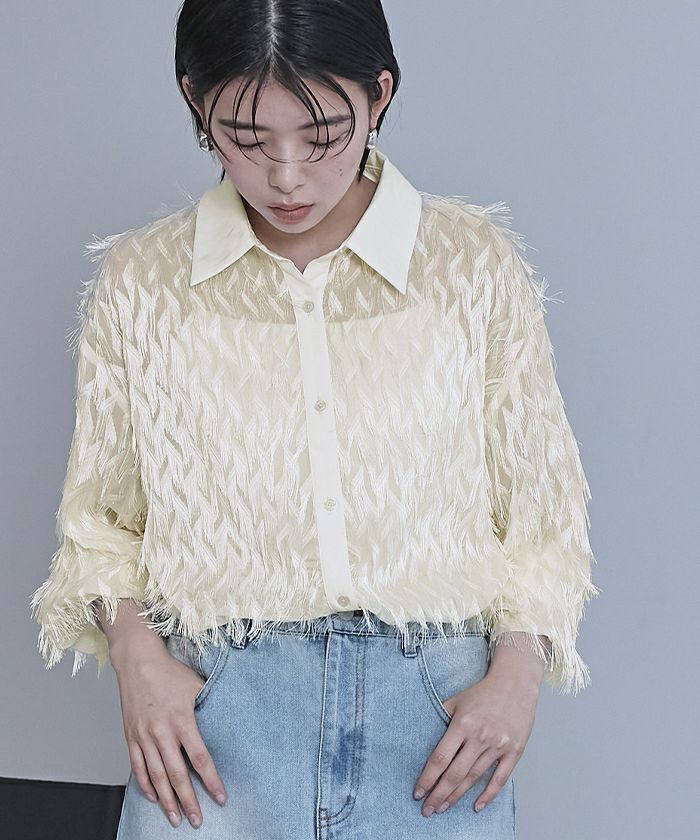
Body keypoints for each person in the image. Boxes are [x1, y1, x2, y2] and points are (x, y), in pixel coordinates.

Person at [30, 1, 600, 837]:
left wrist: (517, 677)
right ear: (194, 102)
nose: (287, 176)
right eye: (247, 138)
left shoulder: (470, 266)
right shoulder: (144, 282)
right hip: (216, 721)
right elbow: (101, 523)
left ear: (380, 95)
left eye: (324, 135)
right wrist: (137, 659)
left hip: (435, 720)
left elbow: (543, 513)